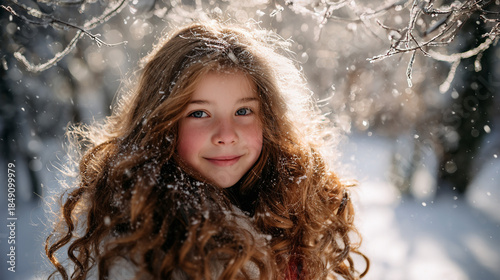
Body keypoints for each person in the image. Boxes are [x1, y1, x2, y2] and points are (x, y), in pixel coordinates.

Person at [45, 20, 369, 280]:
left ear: (269, 119)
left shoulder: (293, 203)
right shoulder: (142, 236)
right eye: (199, 113)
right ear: (162, 124)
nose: (226, 135)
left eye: (243, 112)